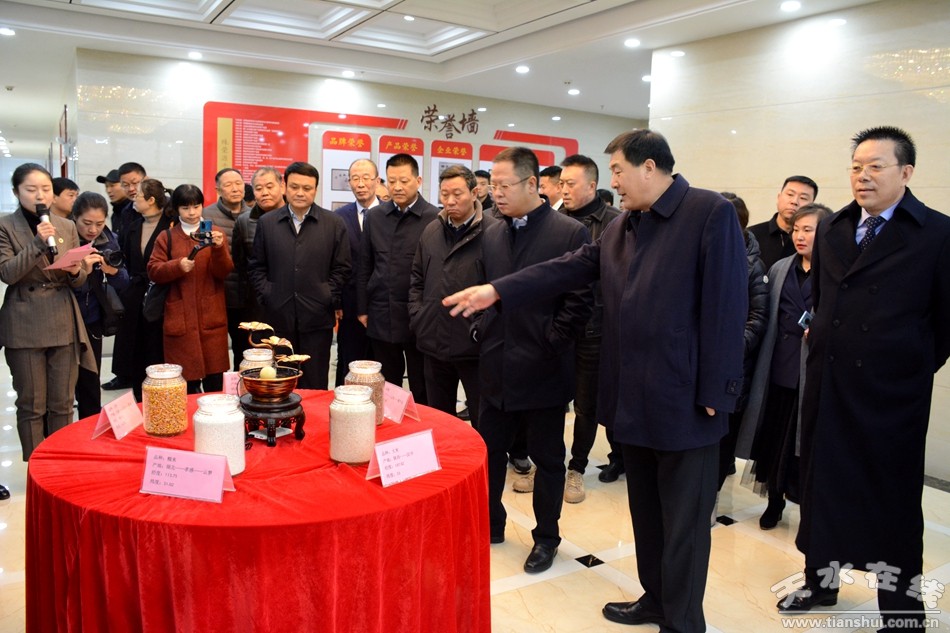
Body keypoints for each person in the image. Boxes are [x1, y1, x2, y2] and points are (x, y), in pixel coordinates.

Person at [444, 130, 747, 632]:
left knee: (684, 526)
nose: (615, 183)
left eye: (619, 172)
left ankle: (683, 621)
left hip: (687, 401)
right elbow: (570, 268)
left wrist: (719, 390)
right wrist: (496, 290)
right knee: (647, 513)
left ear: (649, 167)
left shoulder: (707, 212)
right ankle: (655, 598)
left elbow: (727, 303)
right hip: (634, 396)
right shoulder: (625, 225)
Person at [778, 127, 950, 631]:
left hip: (891, 396)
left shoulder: (937, 234)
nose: (863, 176)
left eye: (876, 166)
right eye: (856, 166)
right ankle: (820, 583)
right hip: (829, 386)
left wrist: (908, 366)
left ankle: (902, 611)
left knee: (892, 505)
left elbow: (945, 323)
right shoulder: (835, 227)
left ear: (906, 172)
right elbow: (823, 302)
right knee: (822, 491)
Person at [468, 147, 592, 574]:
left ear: (533, 184)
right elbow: (484, 287)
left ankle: (546, 538)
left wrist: (549, 343)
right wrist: (481, 330)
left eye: (505, 186)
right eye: (493, 186)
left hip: (544, 369)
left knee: (548, 459)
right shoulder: (491, 231)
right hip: (495, 364)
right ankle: (491, 522)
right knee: (489, 452)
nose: (497, 194)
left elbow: (580, 302)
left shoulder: (569, 233)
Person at [736, 203, 831, 529]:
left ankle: (807, 509)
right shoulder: (779, 268)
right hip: (778, 368)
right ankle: (774, 502)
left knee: (805, 446)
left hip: (812, 374)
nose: (800, 236)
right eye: (796, 230)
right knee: (774, 441)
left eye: (809, 230)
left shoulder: (835, 272)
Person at [0, 163, 96, 463]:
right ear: (16, 192)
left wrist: (76, 271)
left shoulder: (66, 226)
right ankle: (36, 466)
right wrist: (37, 243)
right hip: (24, 323)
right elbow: (8, 273)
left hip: (62, 319)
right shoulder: (5, 226)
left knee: (63, 402)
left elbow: (78, 279)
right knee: (32, 403)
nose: (40, 195)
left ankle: (61, 461)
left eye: (45, 189)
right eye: (31, 189)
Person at [248, 162, 351, 390]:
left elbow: (342, 268)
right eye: (295, 187)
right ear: (285, 186)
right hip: (278, 317)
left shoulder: (333, 223)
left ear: (316, 189)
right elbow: (256, 266)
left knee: (315, 381)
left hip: (317, 318)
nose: (300, 193)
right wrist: (268, 294)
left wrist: (327, 295)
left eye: (307, 188)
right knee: (281, 380)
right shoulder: (268, 223)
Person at [556, 154, 623, 502]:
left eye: (571, 184)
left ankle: (577, 468)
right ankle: (551, 462)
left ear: (592, 185)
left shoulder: (616, 224)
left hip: (595, 331)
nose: (564, 190)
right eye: (561, 184)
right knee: (553, 400)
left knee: (586, 405)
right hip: (556, 327)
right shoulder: (554, 220)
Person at [408, 165, 495, 429]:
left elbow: (499, 287)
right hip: (433, 340)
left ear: (474, 193)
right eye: (444, 194)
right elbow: (417, 278)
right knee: (438, 419)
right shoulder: (431, 230)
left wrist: (480, 328)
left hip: (474, 346)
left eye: (457, 194)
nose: (450, 201)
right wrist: (419, 315)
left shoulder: (493, 232)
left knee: (482, 418)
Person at [357, 153, 439, 404]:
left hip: (418, 314)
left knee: (421, 381)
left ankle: (422, 423)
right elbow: (365, 264)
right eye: (392, 181)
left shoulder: (434, 217)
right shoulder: (375, 216)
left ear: (418, 181)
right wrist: (362, 308)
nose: (397, 187)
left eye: (404, 181)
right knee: (387, 382)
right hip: (382, 310)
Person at [147, 184, 232, 393]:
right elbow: (153, 270)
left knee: (215, 382)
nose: (192, 212)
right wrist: (177, 266)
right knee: (185, 382)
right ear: (176, 208)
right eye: (185, 208)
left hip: (211, 316)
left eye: (196, 206)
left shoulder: (215, 233)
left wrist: (219, 249)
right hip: (180, 316)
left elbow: (224, 271)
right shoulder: (167, 236)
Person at [715, 192, 769, 518]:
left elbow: (757, 318)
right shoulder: (706, 254)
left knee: (723, 439)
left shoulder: (752, 265)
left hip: (733, 367)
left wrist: (728, 350)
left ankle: (711, 498)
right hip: (700, 363)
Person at [71, 191, 130, 418]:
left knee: (90, 380)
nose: (93, 229)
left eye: (99, 223)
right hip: (67, 318)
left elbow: (124, 281)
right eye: (86, 223)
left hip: (93, 318)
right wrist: (81, 272)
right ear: (74, 217)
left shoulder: (109, 239)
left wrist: (112, 271)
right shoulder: (64, 239)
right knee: (64, 384)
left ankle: (89, 426)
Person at [115, 177, 174, 401]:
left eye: (138, 195)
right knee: (136, 348)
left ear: (150, 200)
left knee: (157, 348)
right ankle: (141, 399)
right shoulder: (133, 226)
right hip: (136, 294)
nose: (133, 200)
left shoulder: (171, 226)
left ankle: (163, 400)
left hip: (162, 295)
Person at [334, 158, 380, 386]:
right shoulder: (339, 217)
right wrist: (336, 302)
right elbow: (334, 262)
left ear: (377, 181)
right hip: (349, 304)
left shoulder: (389, 214)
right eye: (355, 178)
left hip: (382, 303)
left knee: (381, 362)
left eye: (366, 178)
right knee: (349, 361)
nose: (361, 184)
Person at [203, 167, 251, 369]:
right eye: (228, 185)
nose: (235, 189)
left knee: (245, 348)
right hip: (217, 294)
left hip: (246, 297)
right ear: (218, 190)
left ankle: (243, 383)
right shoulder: (206, 215)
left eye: (238, 183)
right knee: (215, 349)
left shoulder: (254, 214)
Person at [232, 166, 284, 333]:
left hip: (292, 300)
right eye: (258, 188)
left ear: (282, 187)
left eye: (269, 187)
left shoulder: (296, 217)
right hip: (257, 303)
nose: (264, 193)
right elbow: (240, 264)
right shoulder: (244, 222)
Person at [748, 175, 818, 268]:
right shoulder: (751, 235)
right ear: (779, 197)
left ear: (812, 205)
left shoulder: (816, 240)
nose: (794, 201)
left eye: (803, 198)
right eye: (790, 194)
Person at [114, 162, 147, 237]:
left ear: (146, 180)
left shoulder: (164, 206)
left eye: (135, 183)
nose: (131, 189)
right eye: (125, 185)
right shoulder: (126, 212)